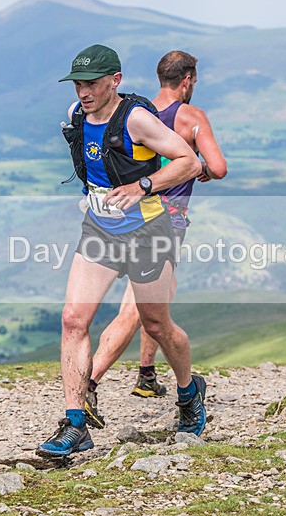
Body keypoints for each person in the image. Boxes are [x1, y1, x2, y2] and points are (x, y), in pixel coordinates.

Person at [36, 44, 206, 458]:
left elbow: (190, 162)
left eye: (92, 83)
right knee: (73, 319)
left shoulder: (137, 119)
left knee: (156, 324)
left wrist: (143, 186)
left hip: (149, 231)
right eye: (78, 84)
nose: (83, 92)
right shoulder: (78, 114)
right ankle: (76, 423)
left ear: (116, 80)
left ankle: (189, 393)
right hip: (100, 228)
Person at [84, 50, 228, 429]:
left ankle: (144, 374)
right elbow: (218, 167)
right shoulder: (191, 118)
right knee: (143, 310)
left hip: (118, 217)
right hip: (165, 221)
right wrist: (200, 169)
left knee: (148, 309)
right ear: (188, 80)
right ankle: (92, 384)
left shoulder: (138, 113)